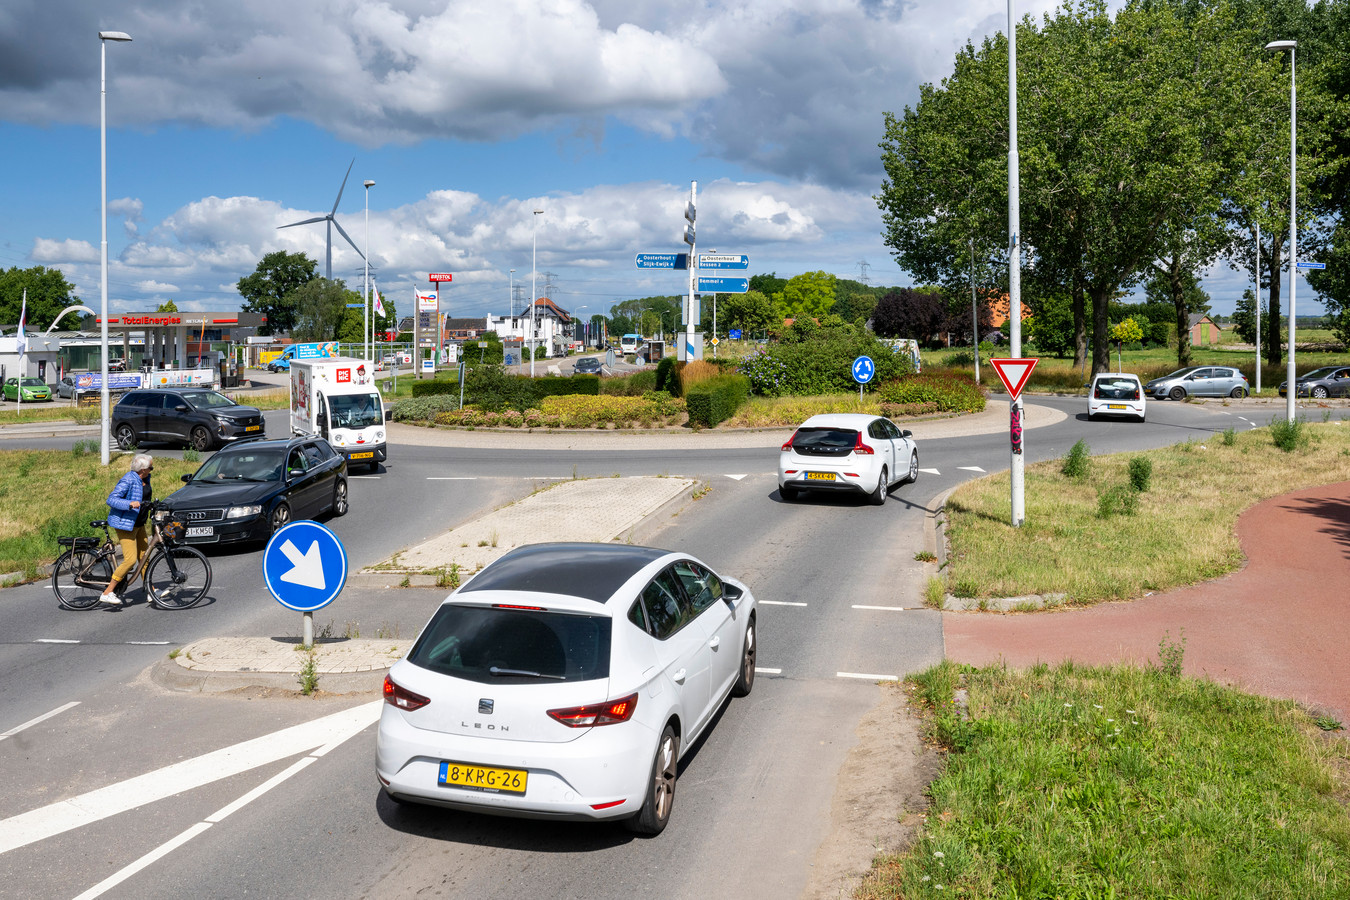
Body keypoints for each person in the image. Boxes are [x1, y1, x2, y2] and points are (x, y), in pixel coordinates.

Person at [100, 453, 154, 606]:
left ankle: (151, 590)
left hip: (139, 524)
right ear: (143, 469)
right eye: (150, 467)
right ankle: (108, 592)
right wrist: (130, 503)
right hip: (126, 525)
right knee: (130, 560)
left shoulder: (144, 479)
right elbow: (111, 499)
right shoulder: (129, 480)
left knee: (145, 557)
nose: (152, 470)